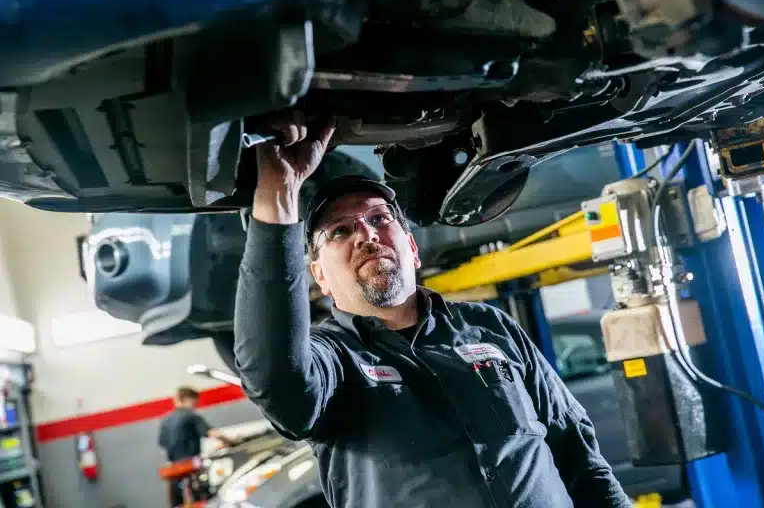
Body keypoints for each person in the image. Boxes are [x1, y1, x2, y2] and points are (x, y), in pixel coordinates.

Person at [233, 112, 632, 508]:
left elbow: (578, 452)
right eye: (340, 231)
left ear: (413, 249)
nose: (367, 234)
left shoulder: (489, 327)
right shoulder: (330, 359)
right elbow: (275, 380)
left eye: (379, 218)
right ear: (319, 275)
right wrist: (279, 190)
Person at [158, 386, 239, 506]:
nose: (195, 405)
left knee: (177, 503)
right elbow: (212, 433)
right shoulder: (191, 416)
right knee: (206, 496)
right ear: (188, 399)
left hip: (173, 469)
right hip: (193, 466)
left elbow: (162, 443)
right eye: (194, 401)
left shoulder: (165, 420)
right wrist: (231, 441)